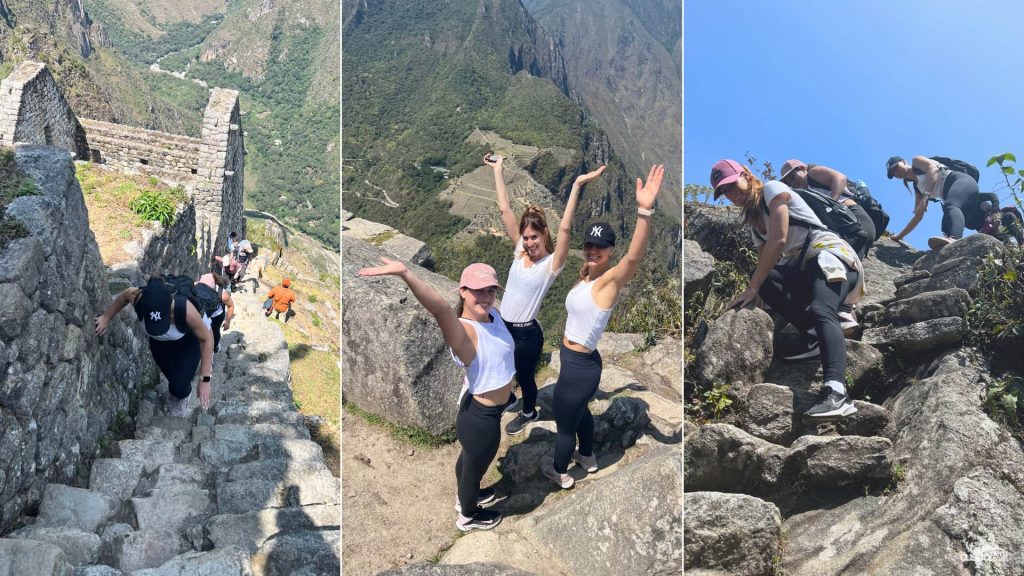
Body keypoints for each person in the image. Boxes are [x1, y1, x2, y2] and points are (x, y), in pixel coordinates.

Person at [357, 260, 513, 532]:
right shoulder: (465, 332)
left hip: (480, 411)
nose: (486, 297)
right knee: (476, 465)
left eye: (491, 290)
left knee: (469, 460)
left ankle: (466, 495)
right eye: (478, 291)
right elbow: (441, 310)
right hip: (481, 417)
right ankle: (468, 515)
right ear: (462, 291)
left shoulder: (493, 316)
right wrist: (405, 273)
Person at [710, 158, 863, 423]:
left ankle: (837, 393)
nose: (730, 194)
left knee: (821, 308)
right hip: (806, 269)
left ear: (746, 175)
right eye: (724, 191)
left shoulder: (772, 189)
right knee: (767, 281)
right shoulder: (755, 224)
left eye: (731, 185)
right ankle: (815, 336)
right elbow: (765, 265)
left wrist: (753, 286)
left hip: (829, 256)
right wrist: (753, 295)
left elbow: (779, 240)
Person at [541, 164, 664, 489]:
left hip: (581, 366)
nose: (593, 250)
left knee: (565, 423)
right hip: (574, 361)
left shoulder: (609, 282)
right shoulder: (587, 277)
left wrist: (644, 210)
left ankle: (559, 472)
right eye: (589, 246)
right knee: (580, 413)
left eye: (600, 247)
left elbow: (634, 259)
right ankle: (589, 456)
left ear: (611, 251)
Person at [483, 153, 606, 435]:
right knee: (503, 367)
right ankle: (512, 400)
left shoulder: (551, 264)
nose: (529, 243)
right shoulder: (519, 252)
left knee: (525, 375)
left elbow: (565, 227)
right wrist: (498, 171)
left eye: (534, 238)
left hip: (527, 334)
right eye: (526, 238)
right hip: (505, 325)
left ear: (544, 236)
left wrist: (577, 185)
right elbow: (504, 209)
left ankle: (529, 411)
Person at [95, 276, 214, 417]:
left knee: (179, 385)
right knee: (170, 376)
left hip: (187, 343)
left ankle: (182, 396)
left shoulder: (186, 310)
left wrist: (205, 379)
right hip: (159, 344)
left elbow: (207, 339)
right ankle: (175, 390)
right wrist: (106, 317)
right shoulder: (137, 296)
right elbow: (123, 296)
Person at [779, 159, 870, 333]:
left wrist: (832, 203)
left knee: (854, 248)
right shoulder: (804, 193)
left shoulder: (813, 173)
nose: (791, 183)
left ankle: (844, 308)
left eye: (792, 176)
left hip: (851, 213)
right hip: (842, 223)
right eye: (787, 181)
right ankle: (839, 307)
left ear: (801, 168)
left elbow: (839, 178)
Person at [886, 155, 980, 250]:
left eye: (896, 168)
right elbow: (918, 216)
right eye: (892, 173)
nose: (896, 172)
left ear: (904, 161)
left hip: (961, 181)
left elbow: (933, 169)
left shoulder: (916, 161)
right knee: (946, 225)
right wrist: (900, 236)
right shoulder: (917, 189)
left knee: (950, 206)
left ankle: (955, 239)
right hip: (954, 196)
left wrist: (926, 195)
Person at [197, 271, 234, 353]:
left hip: (217, 314)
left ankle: (215, 347)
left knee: (215, 332)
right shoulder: (197, 286)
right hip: (206, 310)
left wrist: (227, 322)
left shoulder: (223, 294)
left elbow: (231, 305)